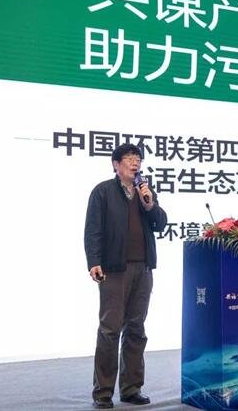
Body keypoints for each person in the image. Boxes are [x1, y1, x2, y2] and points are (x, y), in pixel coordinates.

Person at [84, 143, 167, 409]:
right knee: (110, 330)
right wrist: (94, 261)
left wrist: (149, 204)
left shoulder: (146, 191)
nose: (135, 163)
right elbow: (93, 230)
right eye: (129, 158)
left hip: (143, 269)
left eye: (138, 159)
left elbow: (161, 224)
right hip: (114, 270)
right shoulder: (103, 192)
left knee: (136, 329)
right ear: (116, 164)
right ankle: (103, 393)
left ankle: (131, 388)